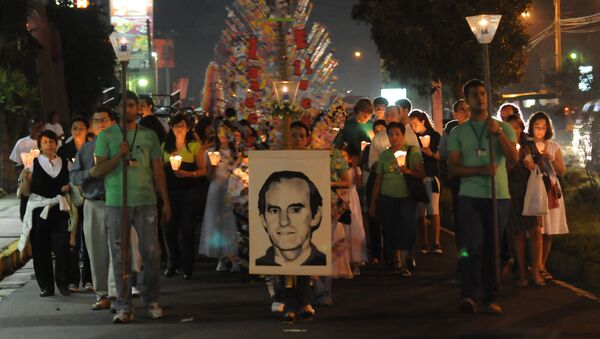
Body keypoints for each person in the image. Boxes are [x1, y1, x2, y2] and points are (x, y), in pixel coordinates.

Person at [94, 90, 171, 323]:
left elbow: (158, 169)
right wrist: (119, 155)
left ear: (138, 108)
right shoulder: (106, 136)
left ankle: (152, 299)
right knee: (120, 255)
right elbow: (98, 170)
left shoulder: (149, 136)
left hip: (146, 200)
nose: (128, 109)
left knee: (152, 252)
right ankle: (124, 304)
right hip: (117, 202)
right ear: (117, 109)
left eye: (132, 105)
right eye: (124, 105)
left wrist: (165, 200)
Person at [447, 79, 518, 315]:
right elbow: (453, 167)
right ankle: (469, 294)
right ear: (466, 101)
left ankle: (490, 297)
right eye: (474, 95)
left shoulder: (502, 128)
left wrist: (497, 135)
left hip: (498, 196)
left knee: (492, 248)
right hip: (469, 196)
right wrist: (478, 170)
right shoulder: (459, 132)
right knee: (471, 246)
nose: (479, 98)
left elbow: (513, 159)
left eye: (482, 93)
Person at [70, 108, 118, 310]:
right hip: (93, 203)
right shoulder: (87, 150)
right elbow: (74, 177)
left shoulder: (121, 147)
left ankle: (118, 294)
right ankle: (102, 294)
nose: (101, 123)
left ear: (113, 123)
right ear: (91, 125)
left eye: (105, 120)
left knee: (116, 249)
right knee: (96, 250)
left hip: (116, 202)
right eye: (96, 120)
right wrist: (91, 173)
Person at [18, 130, 71, 297]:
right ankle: (46, 286)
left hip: (60, 209)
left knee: (62, 246)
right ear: (40, 145)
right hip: (39, 210)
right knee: (41, 249)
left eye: (52, 141)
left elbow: (72, 183)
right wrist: (26, 179)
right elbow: (25, 193)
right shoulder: (33, 165)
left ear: (57, 144)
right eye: (45, 142)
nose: (49, 145)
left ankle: (63, 283)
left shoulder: (66, 163)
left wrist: (69, 187)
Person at [369, 122, 425, 277]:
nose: (394, 137)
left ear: (403, 135)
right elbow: (378, 180)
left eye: (397, 134)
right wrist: (373, 202)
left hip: (407, 197)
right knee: (391, 228)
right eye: (391, 134)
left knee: (406, 227)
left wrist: (408, 171)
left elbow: (421, 173)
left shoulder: (412, 152)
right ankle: (397, 261)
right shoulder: (385, 155)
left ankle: (407, 259)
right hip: (387, 197)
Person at [162, 112, 207, 280]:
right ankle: (172, 263)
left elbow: (203, 170)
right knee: (169, 229)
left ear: (188, 128)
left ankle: (187, 266)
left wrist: (188, 174)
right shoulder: (165, 147)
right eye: (176, 126)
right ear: (171, 128)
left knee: (187, 229)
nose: (179, 128)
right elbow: (159, 169)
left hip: (189, 191)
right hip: (170, 192)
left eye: (182, 125)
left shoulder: (194, 146)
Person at [505, 114, 545, 287]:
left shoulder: (529, 145)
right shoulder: (503, 146)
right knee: (519, 233)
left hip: (530, 191)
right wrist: (511, 164)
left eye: (517, 127)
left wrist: (533, 166)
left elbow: (540, 165)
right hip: (513, 192)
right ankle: (522, 274)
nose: (515, 130)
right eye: (511, 127)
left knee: (536, 230)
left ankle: (536, 271)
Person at [527, 111, 568, 281]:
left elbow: (561, 170)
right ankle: (535, 266)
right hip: (536, 188)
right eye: (537, 127)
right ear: (531, 127)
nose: (540, 130)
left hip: (551, 188)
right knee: (537, 229)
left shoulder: (554, 146)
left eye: (543, 127)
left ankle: (542, 265)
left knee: (549, 231)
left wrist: (550, 159)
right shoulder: (527, 145)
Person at [256, 170, 326, 266]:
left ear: (316, 215)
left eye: (295, 210)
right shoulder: (257, 269)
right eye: (275, 211)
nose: (284, 221)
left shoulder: (324, 264)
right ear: (263, 219)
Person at [198, 123, 241, 272]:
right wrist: (212, 167)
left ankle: (234, 257)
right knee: (215, 221)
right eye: (220, 132)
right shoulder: (210, 152)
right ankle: (220, 258)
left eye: (225, 132)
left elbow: (240, 170)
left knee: (231, 221)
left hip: (231, 187)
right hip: (216, 187)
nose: (222, 135)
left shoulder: (235, 151)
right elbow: (208, 176)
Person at [58, 116, 93, 293]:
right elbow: (60, 172)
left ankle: (89, 278)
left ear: (87, 130)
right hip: (71, 197)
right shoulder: (64, 150)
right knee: (73, 239)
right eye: (74, 128)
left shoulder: (92, 147)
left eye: (80, 128)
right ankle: (74, 279)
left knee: (89, 238)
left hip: (89, 195)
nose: (77, 131)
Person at [409, 110, 443, 255]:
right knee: (420, 211)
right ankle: (424, 242)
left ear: (423, 121)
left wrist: (431, 154)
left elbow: (440, 157)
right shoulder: (412, 137)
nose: (413, 127)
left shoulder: (434, 135)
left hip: (431, 175)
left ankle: (436, 242)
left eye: (415, 123)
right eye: (411, 124)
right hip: (418, 177)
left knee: (433, 209)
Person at [439, 99, 471, 251]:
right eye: (462, 109)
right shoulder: (451, 128)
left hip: (476, 178)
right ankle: (462, 254)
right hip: (459, 177)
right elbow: (443, 152)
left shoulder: (477, 128)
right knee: (460, 216)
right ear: (455, 113)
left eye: (468, 109)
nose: (466, 112)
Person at [11, 118, 45, 220]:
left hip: (43, 182)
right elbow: (15, 165)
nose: (38, 129)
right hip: (27, 182)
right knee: (25, 212)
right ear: (29, 128)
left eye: (40, 127)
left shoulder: (47, 142)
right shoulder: (22, 143)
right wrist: (27, 164)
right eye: (35, 127)